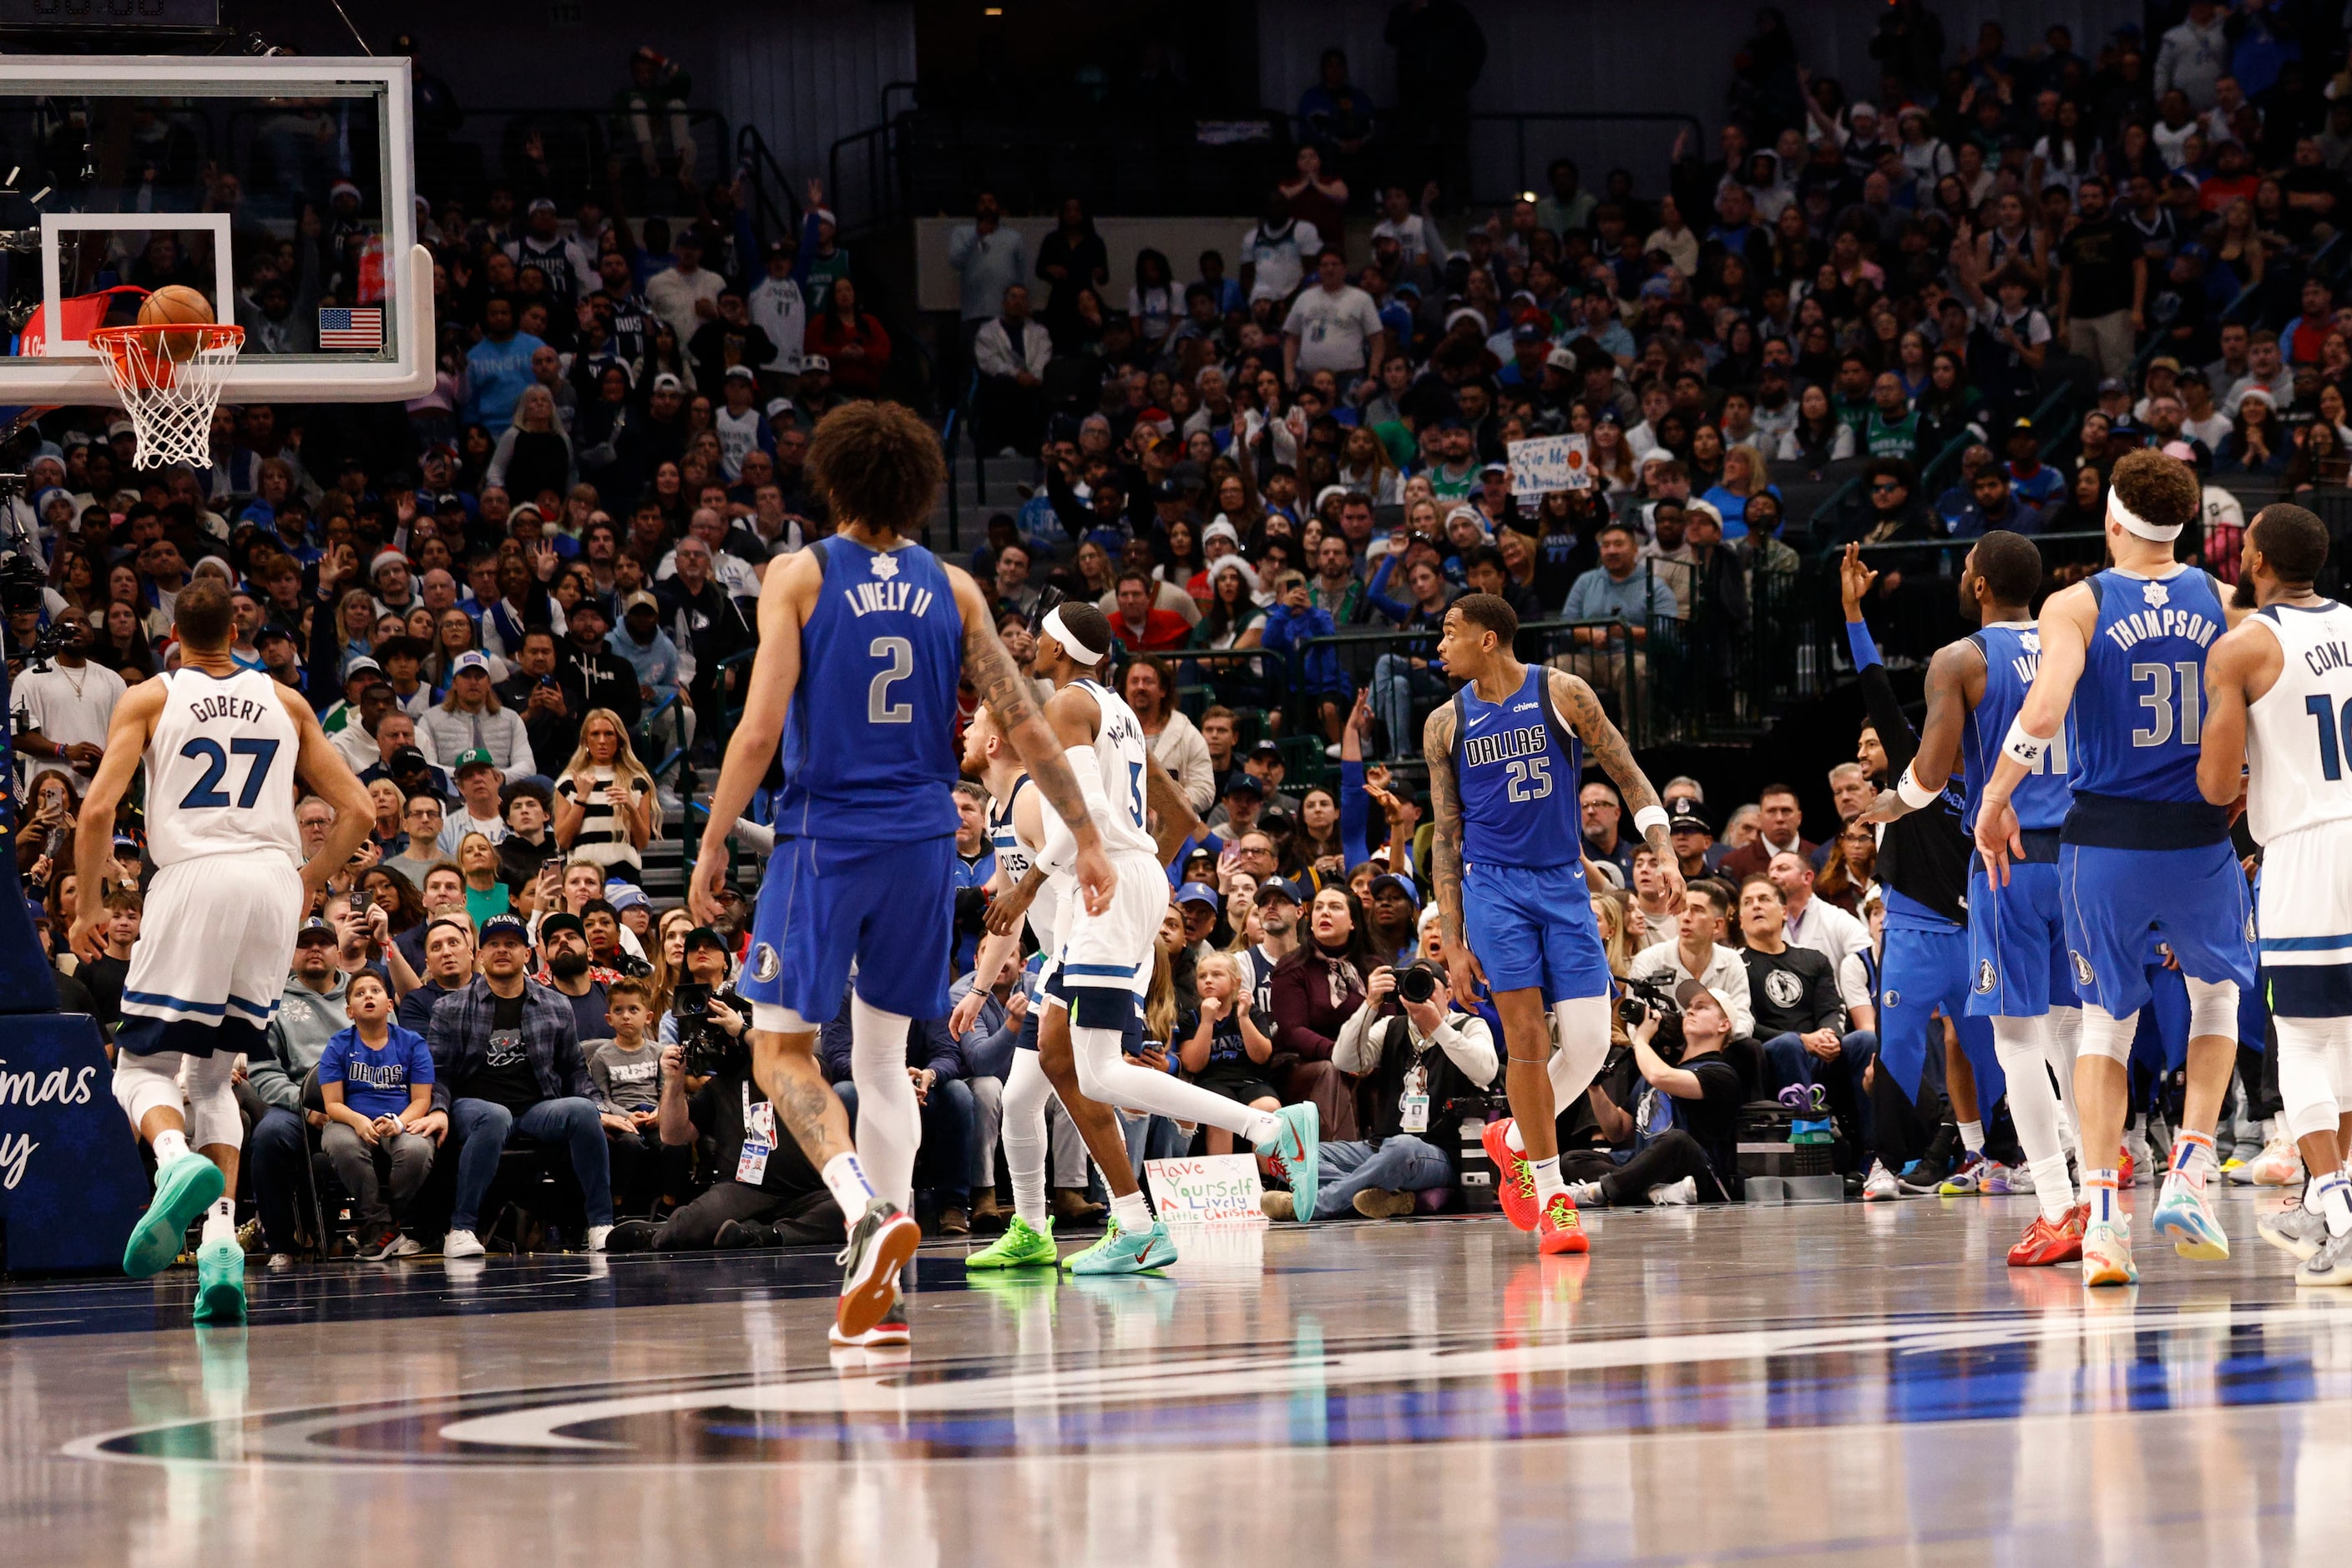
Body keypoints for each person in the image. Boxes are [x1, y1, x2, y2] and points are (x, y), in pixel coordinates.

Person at [690, 402, 1115, 1350]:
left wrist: (717, 837)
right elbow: (1030, 723)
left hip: (824, 840)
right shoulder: (954, 588)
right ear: (920, 487)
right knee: (885, 1063)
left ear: (832, 480)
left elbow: (759, 730)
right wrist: (1085, 836)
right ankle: (880, 1292)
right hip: (924, 841)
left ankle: (864, 1215)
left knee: (780, 1053)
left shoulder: (798, 576)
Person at [953, 602, 1317, 1274]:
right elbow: (1153, 808)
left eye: (1041, 637)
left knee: (1096, 1070)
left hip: (1103, 880)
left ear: (1060, 649)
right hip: (1117, 880)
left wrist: (1031, 884)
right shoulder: (1113, 705)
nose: (1030, 645)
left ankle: (1267, 1127)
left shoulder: (1065, 704)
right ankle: (1121, 1224)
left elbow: (1078, 814)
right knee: (1053, 1069)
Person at [1975, 448, 2255, 1287]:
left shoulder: (2076, 603)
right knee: (2217, 997)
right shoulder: (2230, 602)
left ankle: (2102, 1223)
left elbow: (2047, 706)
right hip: (2199, 835)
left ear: (2110, 516)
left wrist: (1996, 797)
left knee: (2104, 1024)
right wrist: (2250, 781)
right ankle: (2193, 1166)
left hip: (2104, 840)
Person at [69, 579, 373, 1325]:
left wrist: (87, 903)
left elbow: (98, 808)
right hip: (271, 884)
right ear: (237, 633)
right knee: (212, 1078)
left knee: (139, 1067)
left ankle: (174, 1168)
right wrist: (310, 879)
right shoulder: (287, 701)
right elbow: (360, 809)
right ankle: (219, 1247)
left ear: (172, 632)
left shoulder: (150, 696)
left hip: (193, 878)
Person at [1425, 591, 1683, 1255]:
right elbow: (1446, 839)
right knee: (1525, 1042)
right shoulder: (1443, 724)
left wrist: (1660, 848)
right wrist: (1452, 942)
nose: (1439, 645)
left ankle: (1510, 1137)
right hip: (1492, 890)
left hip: (1565, 886)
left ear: (1487, 638)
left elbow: (1628, 776)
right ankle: (1552, 1198)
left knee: (1593, 1043)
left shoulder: (1562, 693)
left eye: (1449, 632)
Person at [1859, 531, 2086, 1260]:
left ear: (1981, 585)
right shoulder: (2073, 642)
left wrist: (1890, 807)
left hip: (2007, 861)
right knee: (2072, 1030)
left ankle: (2056, 1204)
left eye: (1964, 572)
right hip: (2083, 857)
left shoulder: (1961, 659)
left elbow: (1927, 774)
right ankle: (2099, 1191)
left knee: (2014, 1037)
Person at [2198, 503, 2352, 1284]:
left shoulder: (2243, 650)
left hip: (2306, 846)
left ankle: (2336, 1209)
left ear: (2254, 558)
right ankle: (2331, 1206)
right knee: (2347, 1043)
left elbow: (2217, 782)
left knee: (2300, 1040)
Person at [953, 704, 1074, 1268]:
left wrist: (1026, 896)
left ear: (996, 743)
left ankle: (1265, 1126)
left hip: (1084, 952)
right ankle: (1031, 1228)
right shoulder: (1001, 808)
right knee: (1024, 1098)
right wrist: (978, 990)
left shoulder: (1028, 797)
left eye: (975, 725)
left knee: (1098, 1087)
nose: (965, 731)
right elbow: (1007, 916)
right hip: (1058, 958)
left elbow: (1072, 847)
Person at [423, 911, 615, 1259]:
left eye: (511, 944)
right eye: (493, 944)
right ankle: (461, 1228)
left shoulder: (556, 1004)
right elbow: (439, 1072)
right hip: (475, 1107)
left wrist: (601, 1109)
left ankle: (600, 1225)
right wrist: (438, 1109)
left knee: (583, 1111)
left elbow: (574, 1070)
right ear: (479, 954)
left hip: (535, 1109)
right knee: (495, 1116)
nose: (502, 950)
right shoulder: (450, 1007)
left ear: (528, 954)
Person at [1311, 957, 1497, 1220]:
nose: (1421, 993)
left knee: (1402, 1148)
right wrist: (1370, 1004)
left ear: (1448, 992)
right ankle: (1386, 1196)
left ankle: (1321, 1203)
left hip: (1439, 1152)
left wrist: (1438, 1027)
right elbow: (1343, 1060)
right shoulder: (1390, 1027)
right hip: (1380, 1147)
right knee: (1303, 1154)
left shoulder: (1469, 1026)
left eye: (1428, 986)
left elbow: (1486, 1071)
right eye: (1413, 985)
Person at [316, 970, 437, 1259]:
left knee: (418, 1150)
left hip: (401, 1120)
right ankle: (384, 1224)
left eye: (375, 991)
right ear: (349, 1011)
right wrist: (358, 1121)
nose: (368, 996)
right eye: (359, 993)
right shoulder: (338, 1045)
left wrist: (399, 1122)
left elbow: (422, 1100)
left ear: (390, 1004)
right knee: (341, 1145)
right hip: (349, 1120)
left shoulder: (412, 1043)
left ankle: (380, 1227)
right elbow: (332, 1105)